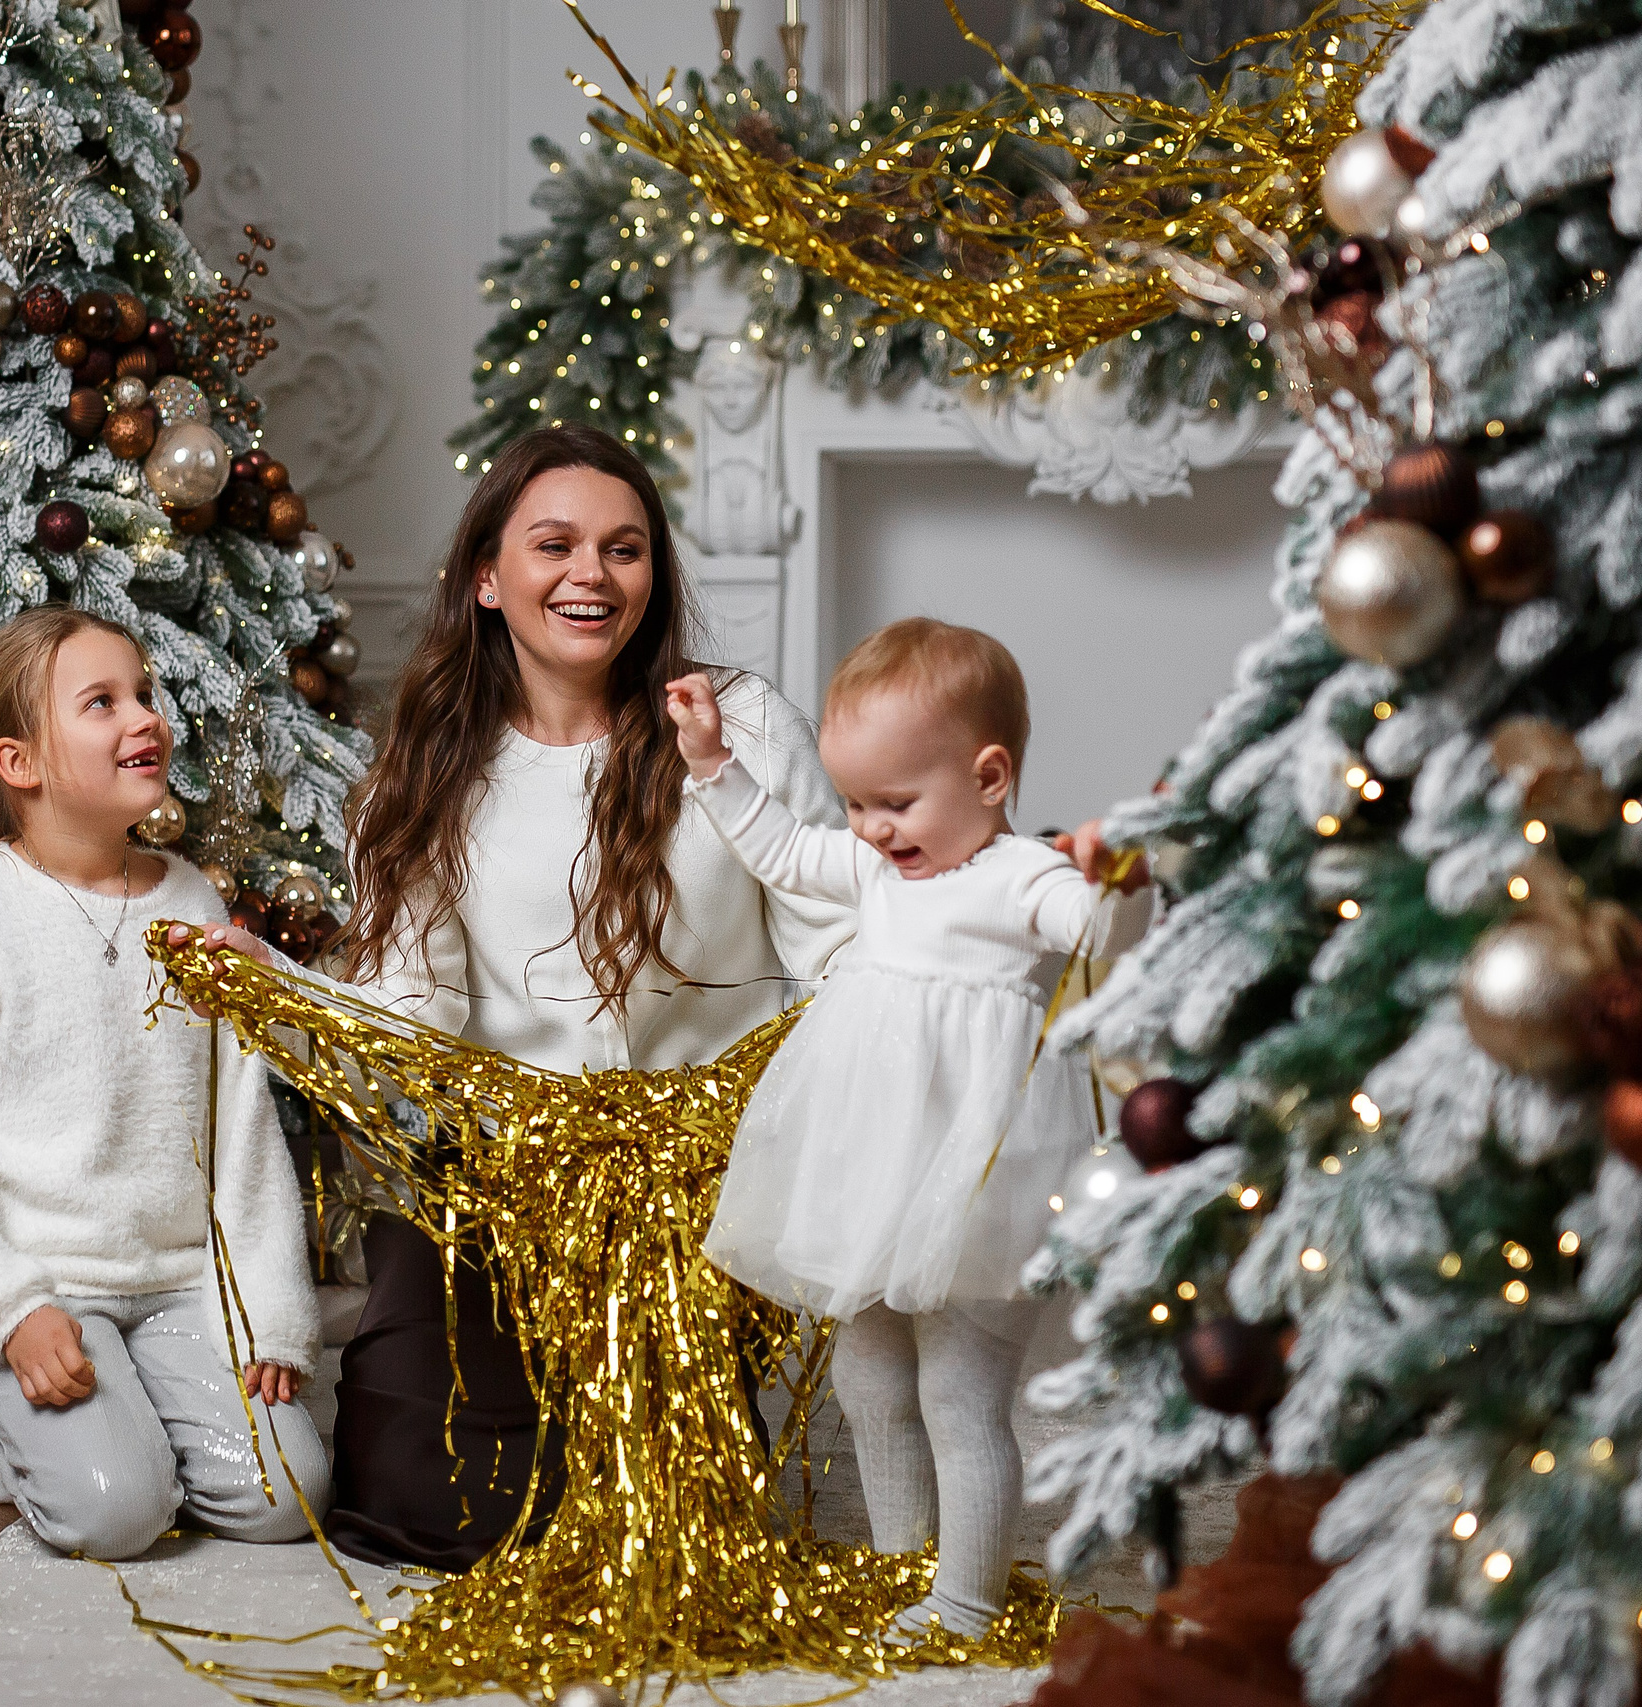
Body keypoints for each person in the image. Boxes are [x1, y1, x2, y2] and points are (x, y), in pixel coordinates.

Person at [203, 426, 853, 1569]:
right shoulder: (427, 773)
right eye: (555, 545)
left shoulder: (738, 726)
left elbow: (833, 940)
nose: (591, 576)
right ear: (488, 579)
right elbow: (413, 1017)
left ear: (653, 576)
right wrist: (291, 1000)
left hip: (694, 1184)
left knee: (660, 1534)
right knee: (422, 1507)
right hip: (498, 1175)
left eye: (623, 549)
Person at [663, 616, 1153, 1641]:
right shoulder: (877, 866)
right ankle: (903, 1573)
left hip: (978, 1180)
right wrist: (712, 765)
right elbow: (785, 854)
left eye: (895, 803)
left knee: (959, 1394)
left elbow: (1099, 936)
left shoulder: (1022, 878)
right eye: (855, 803)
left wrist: (1122, 879)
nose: (873, 830)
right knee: (867, 1376)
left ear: (988, 778)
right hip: (870, 1171)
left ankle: (967, 1600)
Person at [0, 605, 328, 1560]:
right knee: (120, 1513)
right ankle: (14, 1423)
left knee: (290, 1497)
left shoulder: (190, 898)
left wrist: (268, 1311)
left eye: (147, 695)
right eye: (103, 702)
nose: (144, 718)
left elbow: (241, 1126)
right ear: (20, 763)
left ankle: (143, 1403)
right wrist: (6, 1309)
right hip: (39, 1283)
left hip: (179, 1279)